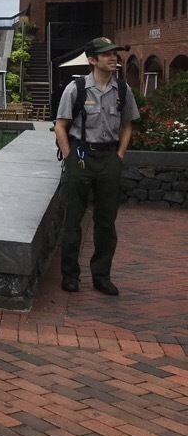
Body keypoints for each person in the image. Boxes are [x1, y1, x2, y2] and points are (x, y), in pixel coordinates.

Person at [53, 37, 140, 296]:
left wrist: (119, 156)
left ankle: (101, 276)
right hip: (80, 155)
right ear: (92, 60)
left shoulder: (123, 90)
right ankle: (70, 276)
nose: (113, 58)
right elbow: (60, 125)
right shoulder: (76, 89)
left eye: (115, 54)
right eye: (107, 55)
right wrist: (69, 156)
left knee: (106, 222)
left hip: (108, 159)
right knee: (72, 220)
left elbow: (127, 125)